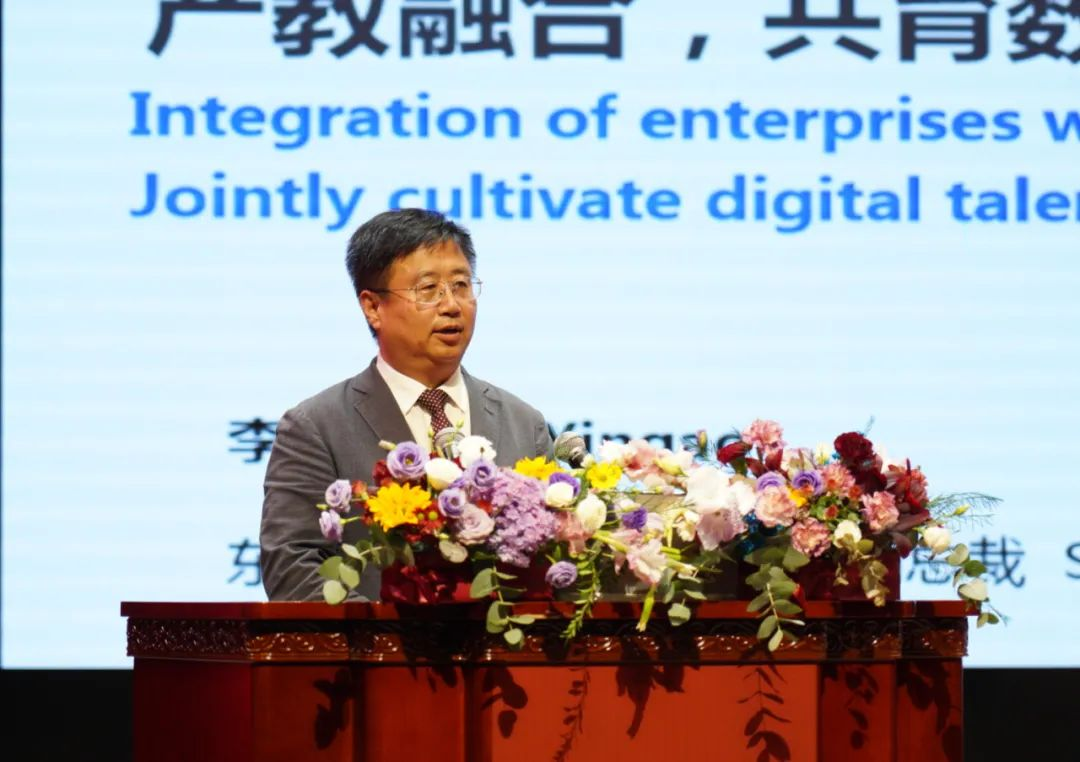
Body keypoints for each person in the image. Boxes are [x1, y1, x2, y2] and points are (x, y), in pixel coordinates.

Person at [260, 208, 553, 601]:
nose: (452, 305)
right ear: (372, 307)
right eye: (428, 289)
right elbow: (292, 567)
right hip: (373, 641)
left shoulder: (524, 424)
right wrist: (388, 633)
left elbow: (556, 562)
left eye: (461, 285)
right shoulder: (316, 427)